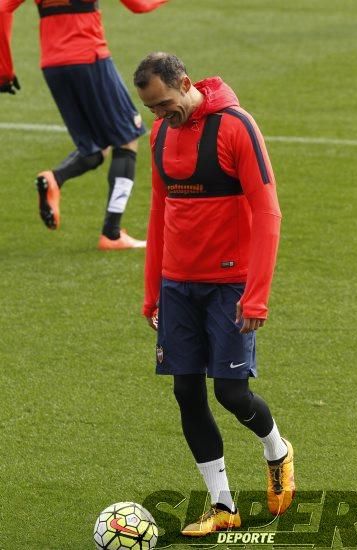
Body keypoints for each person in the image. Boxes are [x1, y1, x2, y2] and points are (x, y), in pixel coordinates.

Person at [133, 52, 295, 536]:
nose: (160, 116)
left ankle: (277, 450)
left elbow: (268, 214)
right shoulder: (160, 134)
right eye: (151, 109)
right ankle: (223, 504)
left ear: (184, 83)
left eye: (165, 104)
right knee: (187, 391)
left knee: (230, 392)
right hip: (177, 286)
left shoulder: (236, 128)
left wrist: (257, 295)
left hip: (230, 286)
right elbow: (160, 212)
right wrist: (152, 293)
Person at [0, 0, 168, 250]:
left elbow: (2, 8)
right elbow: (140, 5)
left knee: (96, 145)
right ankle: (111, 234)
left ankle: (55, 178)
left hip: (53, 65)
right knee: (127, 137)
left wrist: (4, 70)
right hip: (90, 59)